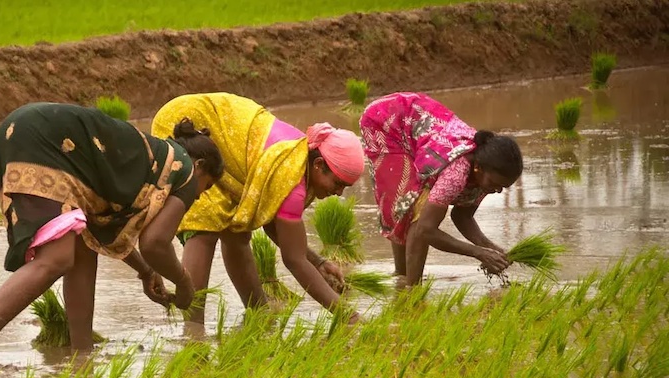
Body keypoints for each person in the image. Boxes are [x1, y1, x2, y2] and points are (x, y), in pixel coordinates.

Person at [0, 102, 224, 366]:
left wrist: (146, 272)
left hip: (27, 129)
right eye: (207, 186)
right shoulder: (185, 170)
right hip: (48, 141)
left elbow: (101, 233)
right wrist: (184, 283)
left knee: (83, 250)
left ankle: (81, 353)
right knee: (56, 258)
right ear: (199, 166)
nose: (199, 196)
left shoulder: (152, 162)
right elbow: (155, 244)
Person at [150, 92, 366, 329]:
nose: (339, 193)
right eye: (338, 183)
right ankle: (193, 331)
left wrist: (318, 262)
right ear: (318, 164)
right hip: (192, 122)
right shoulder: (291, 176)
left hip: (226, 136)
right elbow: (294, 260)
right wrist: (347, 315)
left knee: (236, 232)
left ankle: (259, 315)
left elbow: (275, 226)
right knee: (204, 228)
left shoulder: (300, 164)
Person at [359, 92, 524, 287]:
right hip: (386, 120)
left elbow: (462, 217)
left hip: (416, 123)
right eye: (494, 184)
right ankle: (412, 289)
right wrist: (478, 253)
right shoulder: (456, 173)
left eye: (502, 187)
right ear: (478, 167)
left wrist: (490, 248)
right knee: (411, 208)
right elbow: (426, 230)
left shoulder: (483, 173)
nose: (497, 191)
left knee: (413, 208)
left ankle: (403, 278)